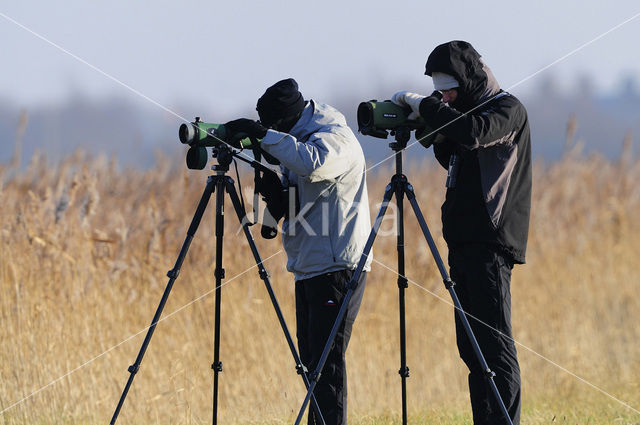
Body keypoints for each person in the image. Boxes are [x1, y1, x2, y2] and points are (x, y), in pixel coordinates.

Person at [391, 41, 531, 425]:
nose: (446, 95)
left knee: (495, 345)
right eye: (440, 89)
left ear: (469, 80)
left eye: (450, 88)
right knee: (472, 350)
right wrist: (431, 128)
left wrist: (425, 104)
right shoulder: (463, 113)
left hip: (491, 243)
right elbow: (455, 155)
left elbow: (472, 134)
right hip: (463, 242)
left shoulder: (506, 109)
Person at [224, 78, 372, 425]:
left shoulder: (334, 135)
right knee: (312, 367)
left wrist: (262, 137)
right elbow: (307, 199)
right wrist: (278, 199)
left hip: (337, 267)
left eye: (275, 128)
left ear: (287, 121)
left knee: (326, 366)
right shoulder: (299, 137)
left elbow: (314, 163)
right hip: (310, 265)